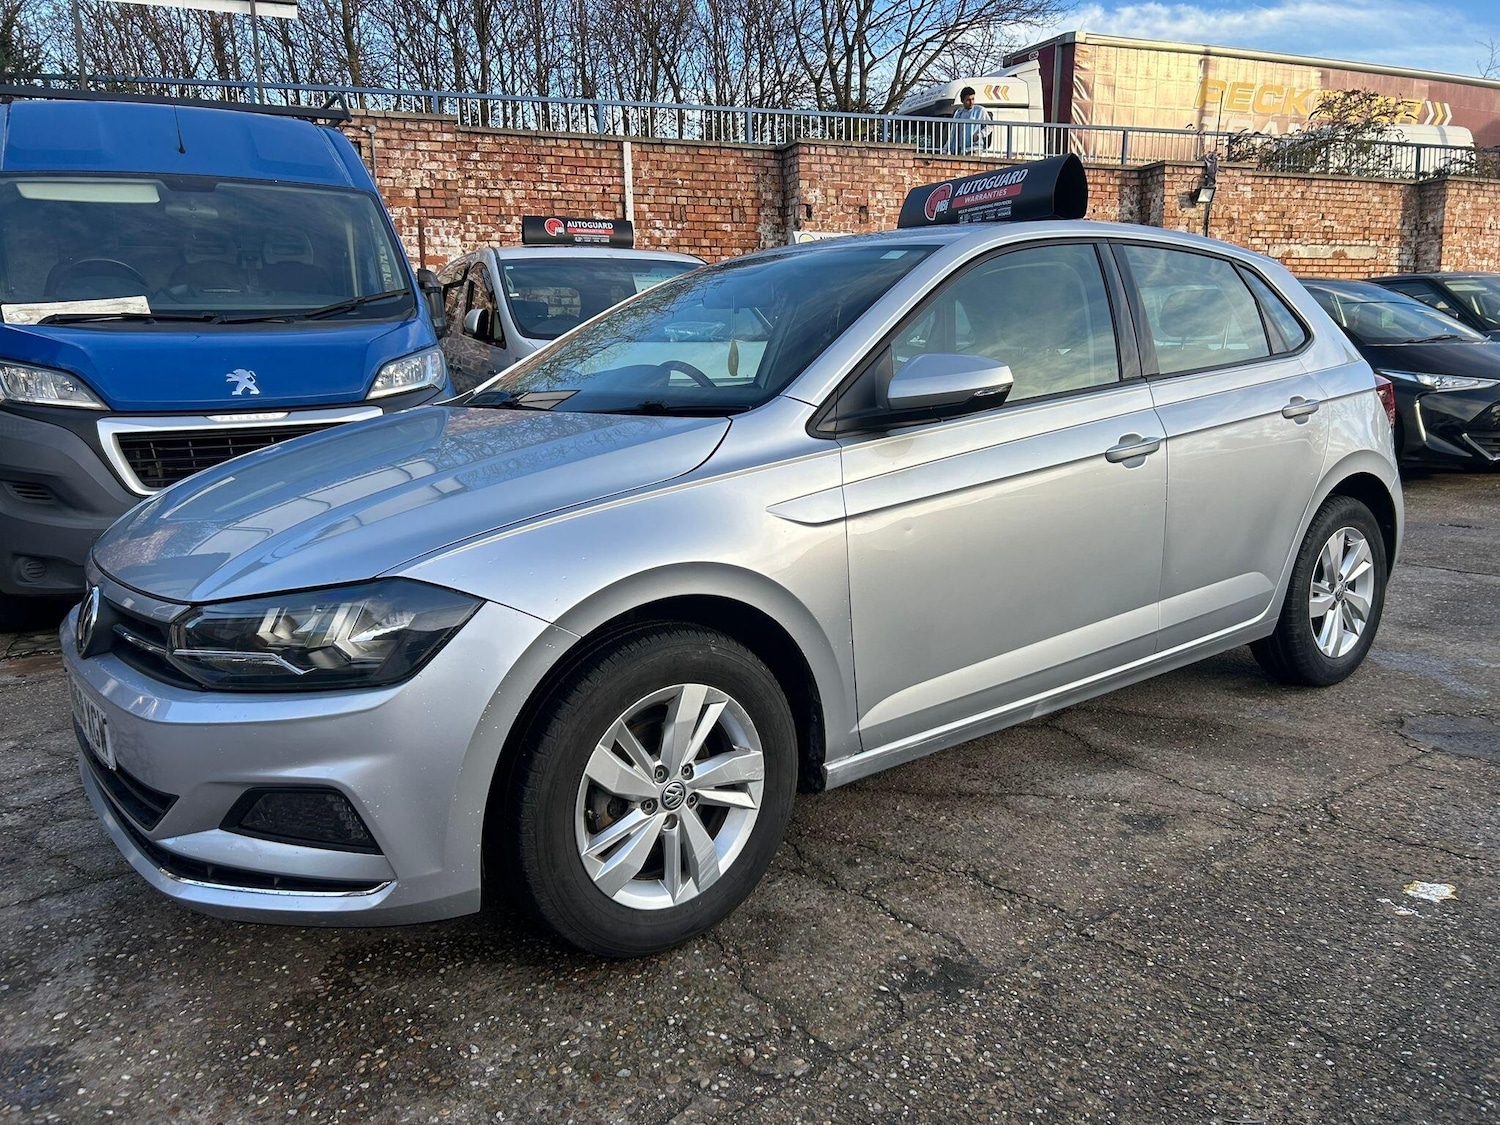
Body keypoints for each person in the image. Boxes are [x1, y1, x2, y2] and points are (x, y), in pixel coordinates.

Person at [946, 86, 993, 155]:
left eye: (973, 99)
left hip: (974, 148)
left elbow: (990, 126)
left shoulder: (980, 110)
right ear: (962, 101)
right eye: (968, 100)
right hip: (960, 149)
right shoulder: (959, 113)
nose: (971, 102)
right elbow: (953, 132)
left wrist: (979, 135)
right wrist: (946, 148)